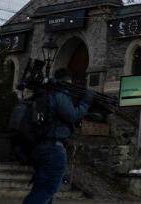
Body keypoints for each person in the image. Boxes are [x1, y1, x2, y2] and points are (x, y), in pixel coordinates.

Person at [23, 68, 94, 204]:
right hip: (53, 148)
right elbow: (72, 115)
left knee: (41, 188)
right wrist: (85, 102)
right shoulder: (59, 93)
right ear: (68, 81)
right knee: (48, 188)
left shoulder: (46, 92)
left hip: (41, 146)